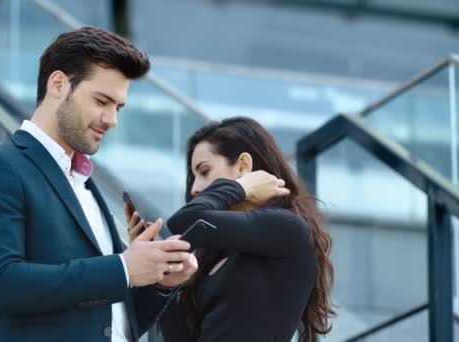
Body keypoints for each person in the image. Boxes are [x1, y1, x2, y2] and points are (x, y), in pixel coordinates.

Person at [0, 27, 198, 342]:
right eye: (102, 101)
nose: (112, 120)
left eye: (118, 107)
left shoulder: (86, 184)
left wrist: (161, 281)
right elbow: (2, 284)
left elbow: (113, 320)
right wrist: (123, 268)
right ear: (58, 84)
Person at [127, 117, 335, 341]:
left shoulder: (287, 227)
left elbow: (186, 219)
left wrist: (240, 186)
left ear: (244, 166)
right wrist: (166, 280)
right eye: (193, 178)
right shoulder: (214, 252)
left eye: (204, 171)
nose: (195, 188)